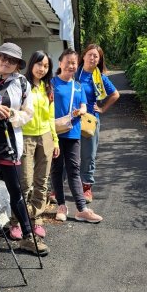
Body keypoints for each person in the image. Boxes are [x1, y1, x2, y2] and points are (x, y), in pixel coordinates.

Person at [0, 42, 49, 260]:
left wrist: (13, 116)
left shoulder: (22, 83)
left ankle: (28, 236)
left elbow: (29, 112)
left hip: (9, 141)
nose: (6, 62)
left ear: (17, 65)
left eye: (12, 60)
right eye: (2, 57)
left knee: (16, 190)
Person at [8, 51, 59, 240]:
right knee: (25, 182)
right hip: (26, 136)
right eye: (39, 64)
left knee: (42, 182)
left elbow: (51, 116)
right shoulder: (22, 84)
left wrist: (55, 140)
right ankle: (16, 221)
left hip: (45, 136)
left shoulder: (48, 87)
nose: (42, 69)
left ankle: (36, 219)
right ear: (31, 65)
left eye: (46, 66)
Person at [51, 48, 103, 224]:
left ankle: (82, 209)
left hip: (73, 132)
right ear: (60, 63)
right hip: (55, 133)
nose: (71, 65)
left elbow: (84, 106)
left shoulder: (78, 86)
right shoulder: (51, 83)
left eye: (74, 62)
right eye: (68, 62)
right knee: (57, 170)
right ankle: (61, 206)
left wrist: (80, 110)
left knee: (74, 169)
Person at [76, 44, 120, 203]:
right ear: (84, 56)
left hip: (90, 120)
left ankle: (86, 187)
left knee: (88, 155)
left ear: (99, 60)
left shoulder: (99, 77)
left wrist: (102, 108)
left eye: (96, 56)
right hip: (72, 119)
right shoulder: (74, 73)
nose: (93, 58)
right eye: (90, 55)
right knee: (68, 154)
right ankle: (57, 188)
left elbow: (115, 94)